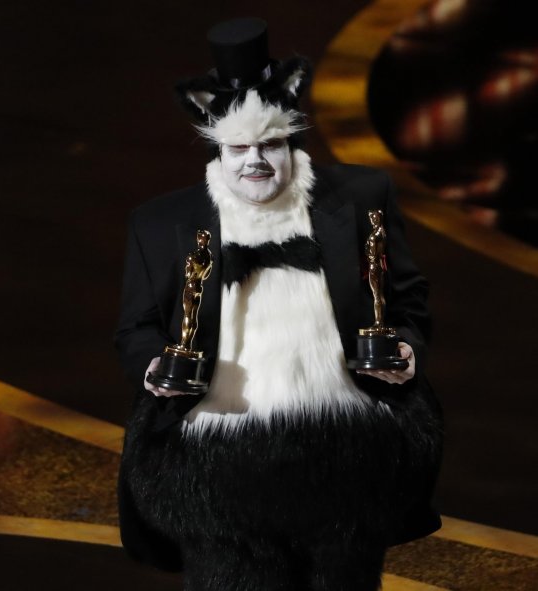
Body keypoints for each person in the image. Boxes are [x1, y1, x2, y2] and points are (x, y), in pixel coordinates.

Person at [115, 18, 443, 591]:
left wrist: (406, 355)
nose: (255, 162)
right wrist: (154, 370)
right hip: (216, 458)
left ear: (290, 140)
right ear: (219, 148)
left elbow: (409, 299)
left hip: (348, 453)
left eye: (269, 145)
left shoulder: (361, 198)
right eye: (239, 148)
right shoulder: (161, 222)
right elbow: (136, 328)